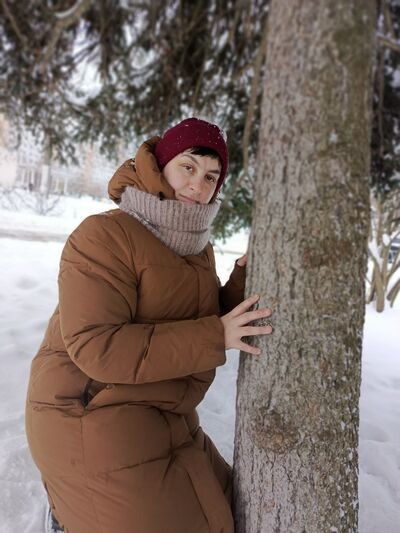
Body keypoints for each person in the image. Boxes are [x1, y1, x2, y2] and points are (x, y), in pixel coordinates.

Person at [25, 117, 273, 533]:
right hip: (87, 412)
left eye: (211, 177)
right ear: (159, 166)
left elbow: (195, 316)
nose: (198, 185)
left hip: (159, 410)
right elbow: (97, 347)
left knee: (228, 509)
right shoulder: (103, 236)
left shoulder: (196, 247)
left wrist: (244, 283)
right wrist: (216, 336)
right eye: (188, 167)